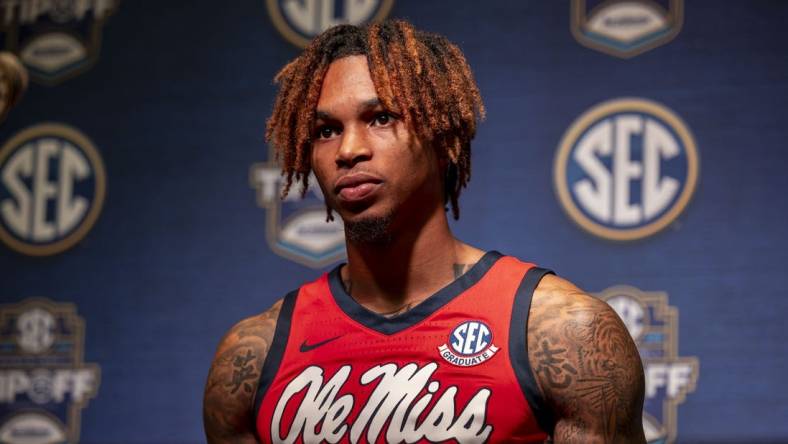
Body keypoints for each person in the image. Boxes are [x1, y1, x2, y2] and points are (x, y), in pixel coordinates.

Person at [203, 20, 645, 444]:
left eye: (380, 118)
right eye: (326, 131)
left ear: (441, 134)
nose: (349, 150)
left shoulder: (561, 333)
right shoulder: (252, 360)